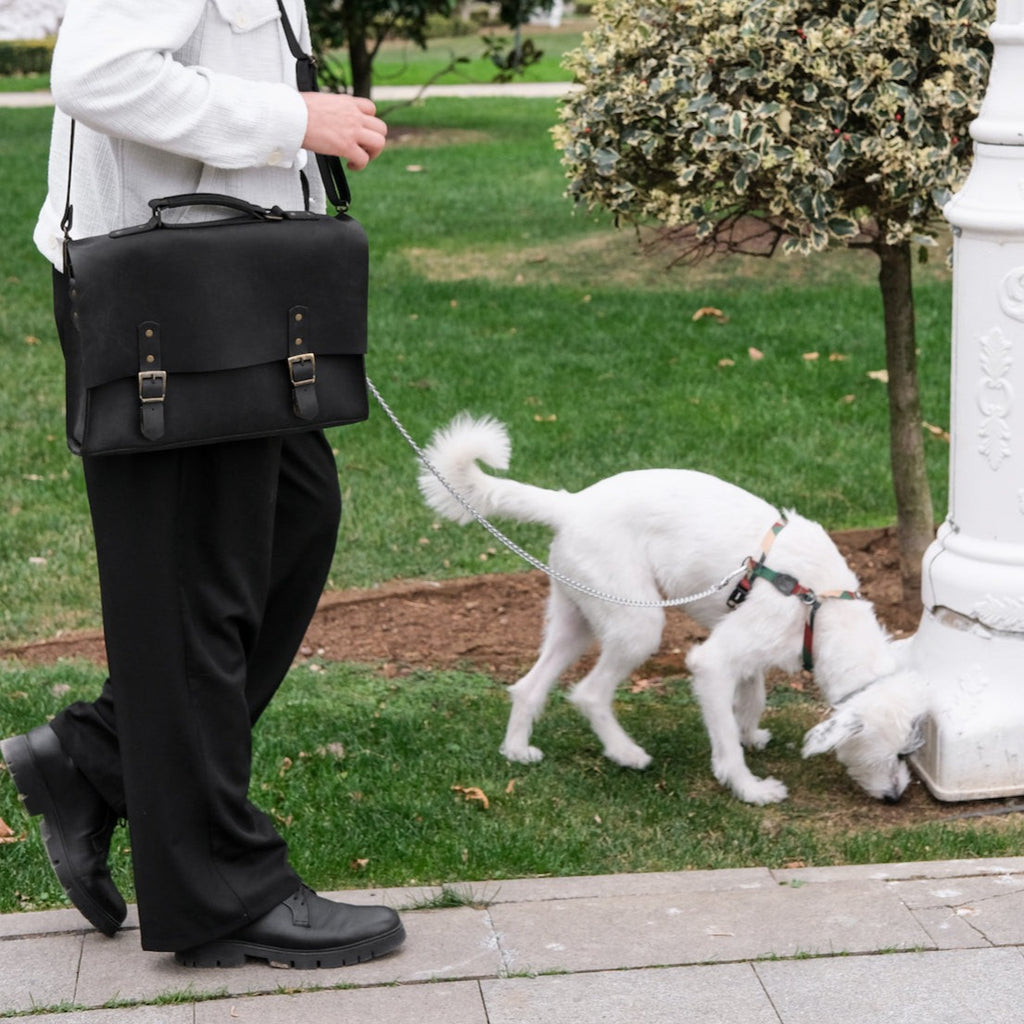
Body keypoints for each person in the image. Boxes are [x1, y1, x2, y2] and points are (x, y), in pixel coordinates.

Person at [0, 0, 405, 969]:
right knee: (189, 589)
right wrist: (289, 119)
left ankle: (96, 759)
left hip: (229, 276)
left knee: (290, 525)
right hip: (166, 291)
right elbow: (96, 74)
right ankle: (221, 892)